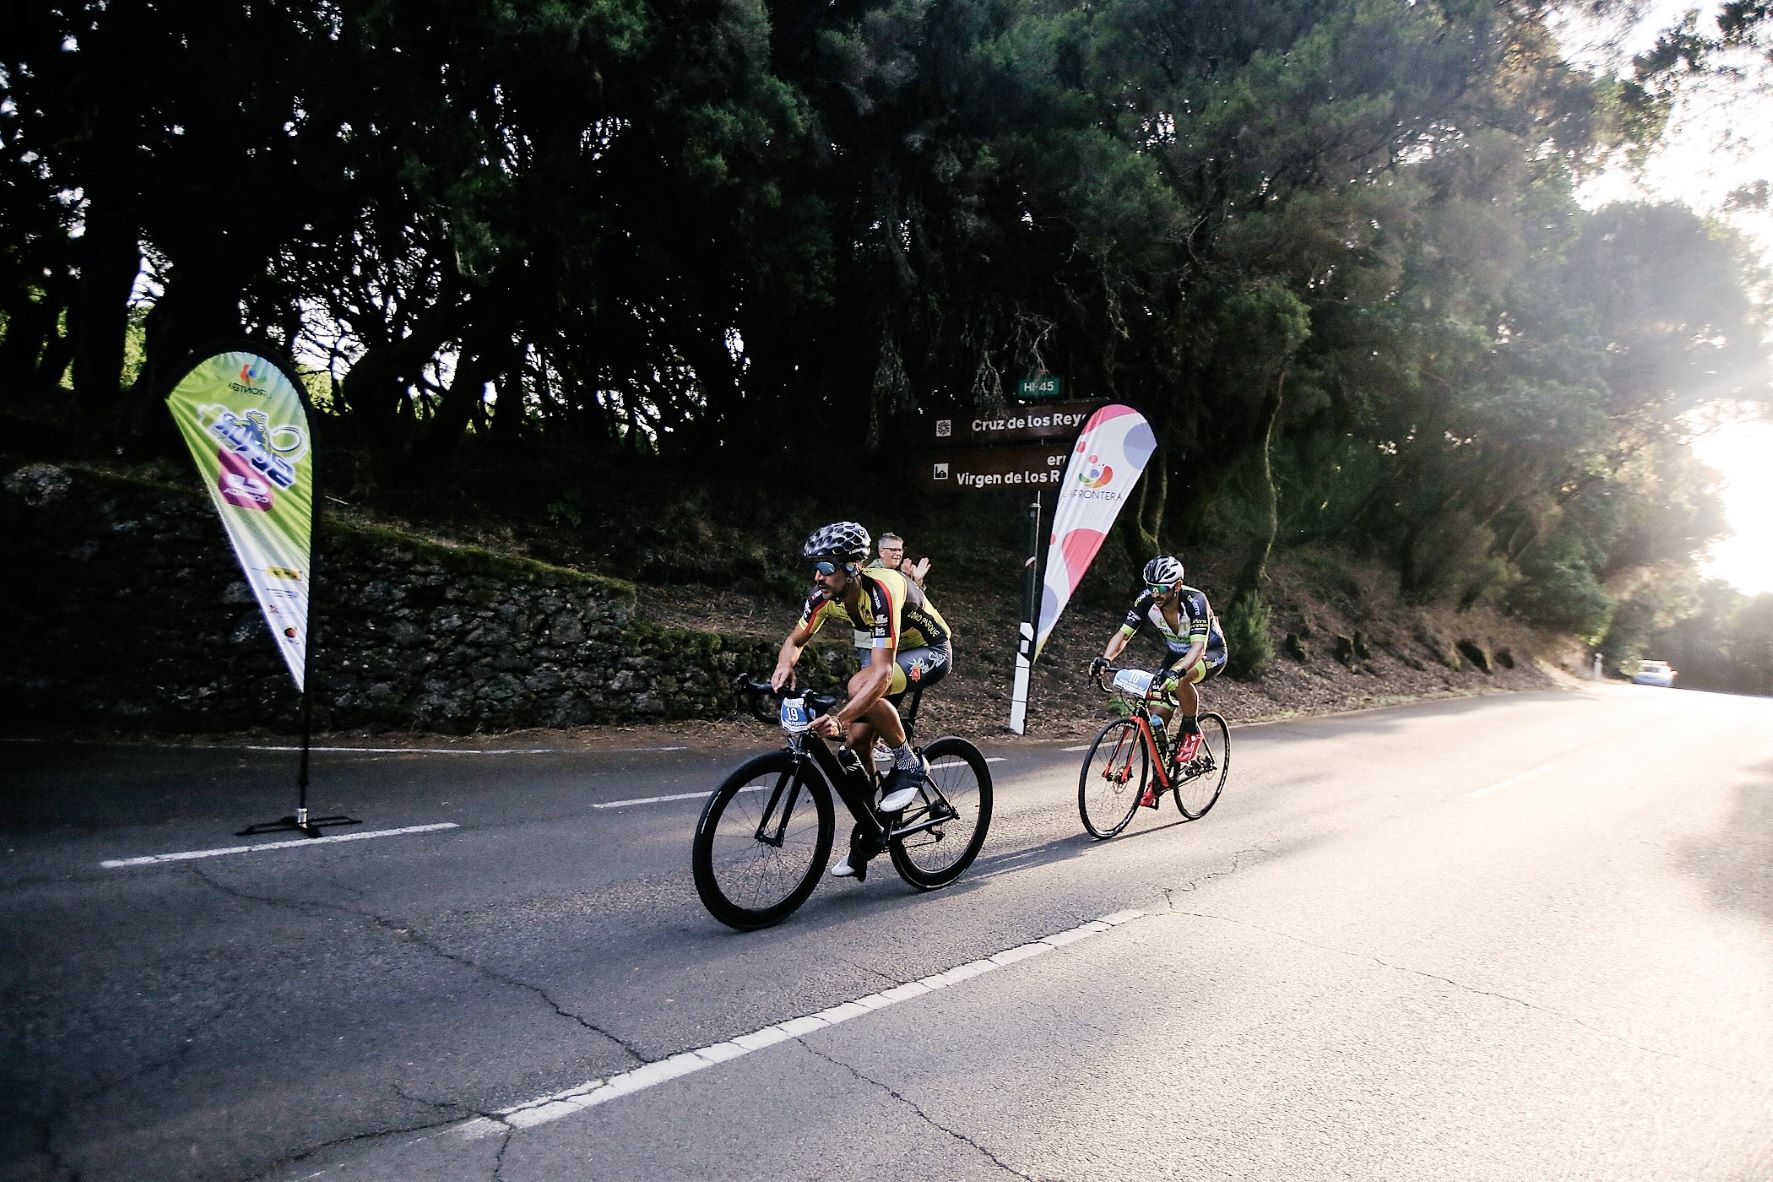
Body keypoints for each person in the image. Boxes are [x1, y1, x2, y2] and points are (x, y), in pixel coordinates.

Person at [773, 521, 954, 877]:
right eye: (815, 568)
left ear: (852, 567)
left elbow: (882, 673)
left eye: (825, 568)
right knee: (854, 746)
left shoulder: (880, 592)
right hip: (895, 654)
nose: (817, 577)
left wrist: (839, 718)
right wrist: (783, 666)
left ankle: (909, 762)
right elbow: (794, 641)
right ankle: (874, 827)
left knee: (860, 686)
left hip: (930, 651)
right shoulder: (825, 598)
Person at [1089, 555, 1227, 776]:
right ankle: (1160, 776)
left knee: (1181, 679)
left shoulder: (1195, 601)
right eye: (1151, 587)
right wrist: (1106, 659)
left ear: (1177, 586)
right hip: (1176, 654)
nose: (1155, 593)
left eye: (1162, 588)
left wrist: (1178, 671)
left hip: (1209, 652)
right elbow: (1123, 635)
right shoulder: (1146, 600)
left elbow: (1198, 649)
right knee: (1155, 721)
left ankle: (1191, 730)